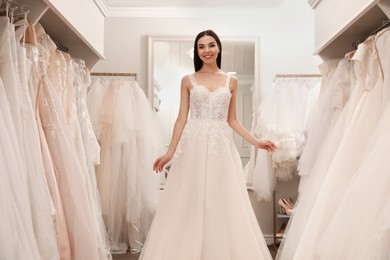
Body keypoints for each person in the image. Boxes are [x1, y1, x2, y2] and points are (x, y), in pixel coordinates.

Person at [139, 29, 276, 260]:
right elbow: (182, 118)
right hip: (193, 145)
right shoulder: (188, 80)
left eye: (211, 45)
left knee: (220, 198)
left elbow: (232, 120)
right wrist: (169, 153)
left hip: (221, 147)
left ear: (219, 48)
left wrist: (257, 141)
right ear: (197, 51)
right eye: (201, 46)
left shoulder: (231, 81)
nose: (206, 50)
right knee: (189, 200)